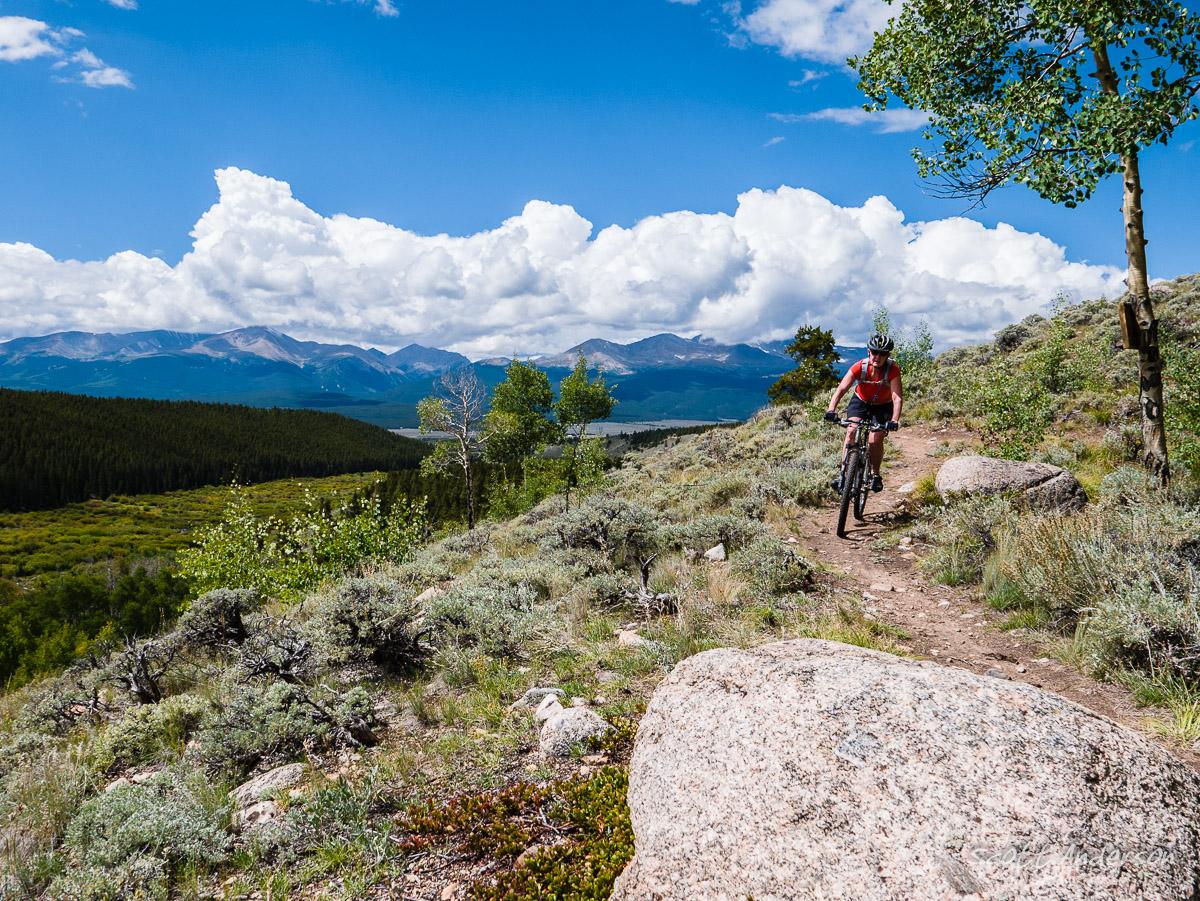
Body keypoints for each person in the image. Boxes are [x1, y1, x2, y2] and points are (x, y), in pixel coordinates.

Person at [823, 334, 902, 492]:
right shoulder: (860, 366)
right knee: (851, 430)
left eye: (883, 353)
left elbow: (896, 397)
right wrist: (831, 409)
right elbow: (841, 389)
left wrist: (894, 420)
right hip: (861, 401)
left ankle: (875, 475)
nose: (878, 357)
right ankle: (843, 475)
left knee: (875, 438)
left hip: (882, 406)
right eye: (874, 352)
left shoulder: (892, 369)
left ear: (888, 355)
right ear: (868, 351)